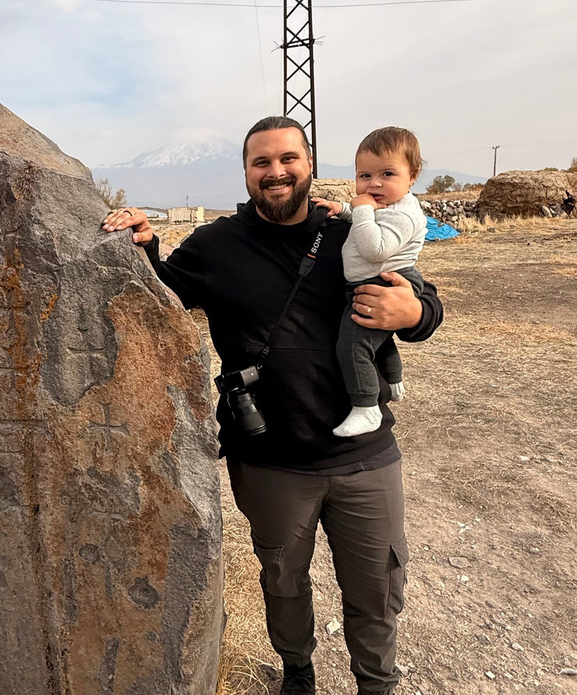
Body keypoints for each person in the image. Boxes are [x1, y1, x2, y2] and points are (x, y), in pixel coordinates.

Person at [102, 116, 444, 695]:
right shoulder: (215, 245)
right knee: (283, 580)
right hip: (270, 460)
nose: (276, 172)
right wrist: (145, 241)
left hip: (365, 457)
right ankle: (297, 674)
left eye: (288, 158)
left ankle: (376, 684)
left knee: (376, 589)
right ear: (246, 172)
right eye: (261, 162)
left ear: (309, 163)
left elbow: (421, 300)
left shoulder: (351, 229)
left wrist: (413, 315)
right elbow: (162, 295)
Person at [311, 127, 427, 438]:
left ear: (412, 176)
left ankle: (366, 407)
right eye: (364, 175)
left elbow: (375, 249)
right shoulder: (387, 206)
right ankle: (393, 376)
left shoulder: (405, 215)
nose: (373, 183)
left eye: (387, 174)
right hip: (370, 281)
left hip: (386, 283)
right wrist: (345, 210)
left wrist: (359, 210)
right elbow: (372, 216)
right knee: (377, 335)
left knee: (352, 344)